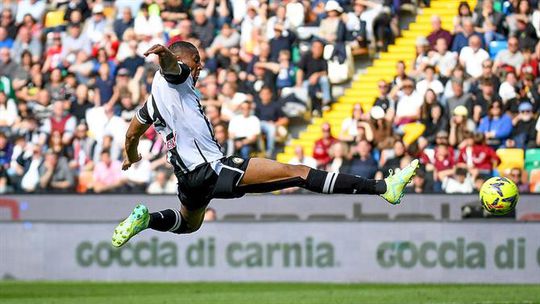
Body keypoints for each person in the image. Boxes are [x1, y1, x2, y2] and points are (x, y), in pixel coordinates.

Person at [112, 42, 419, 247]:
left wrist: (131, 156)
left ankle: (147, 219)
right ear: (183, 60)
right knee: (298, 173)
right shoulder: (177, 79)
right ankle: (383, 188)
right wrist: (164, 54)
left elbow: (131, 133)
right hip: (212, 169)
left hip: (188, 178)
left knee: (188, 224)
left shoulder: (153, 101)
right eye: (197, 61)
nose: (200, 67)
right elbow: (172, 68)